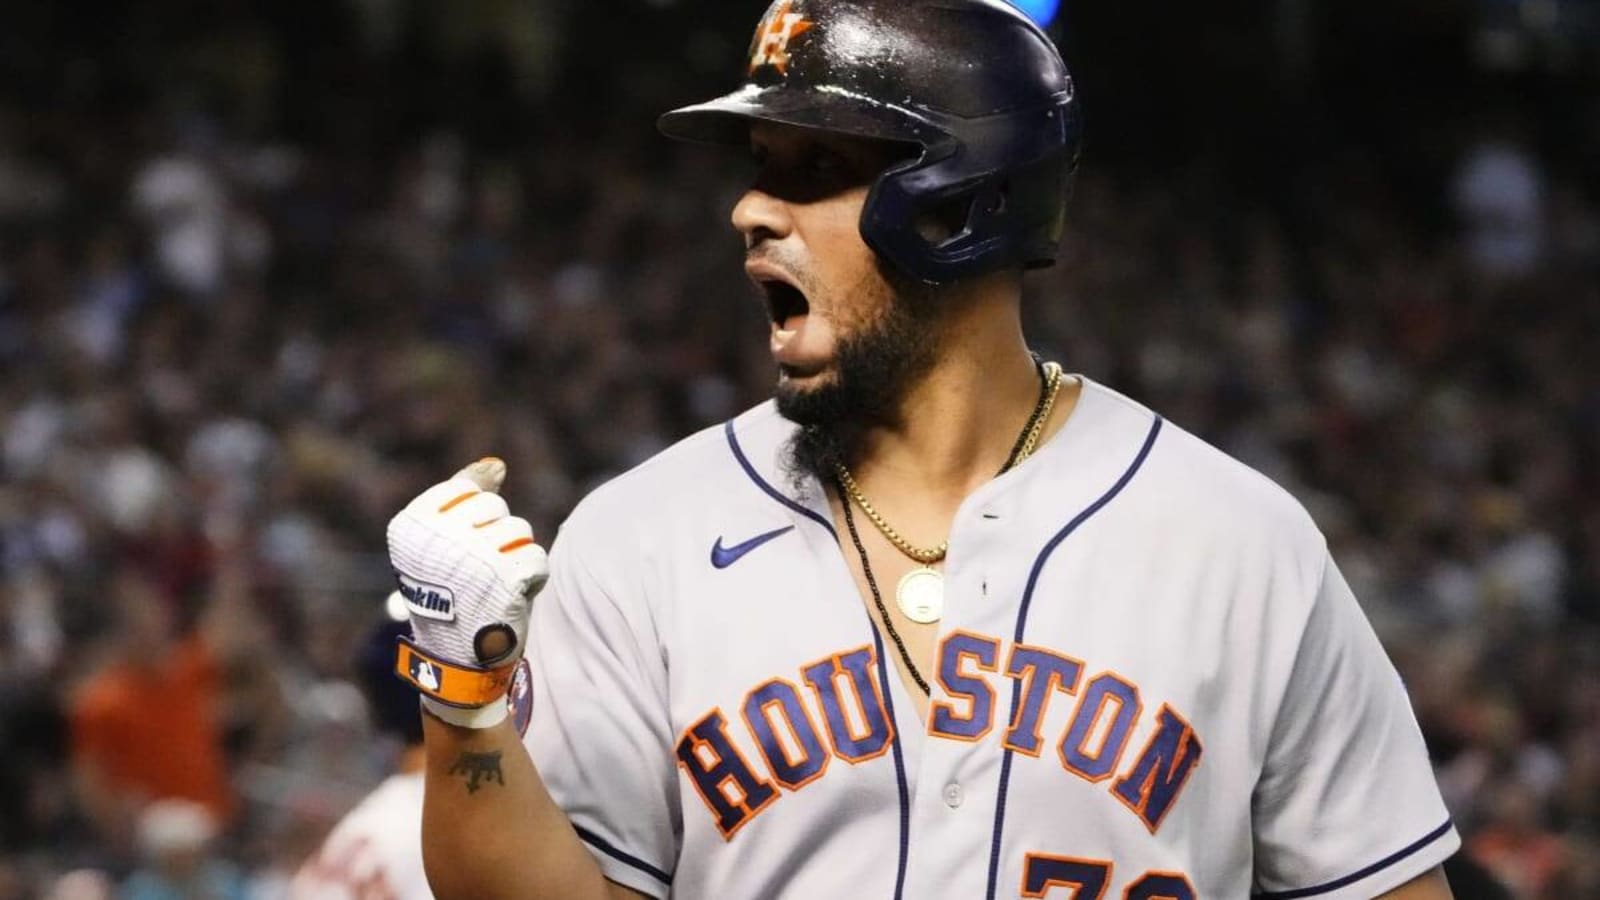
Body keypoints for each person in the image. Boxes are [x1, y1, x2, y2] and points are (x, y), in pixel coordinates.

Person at [383, 1, 1460, 897]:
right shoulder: (642, 537)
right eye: (762, 164)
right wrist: (462, 705)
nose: (751, 208)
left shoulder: (1237, 545)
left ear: (961, 206)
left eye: (814, 168)